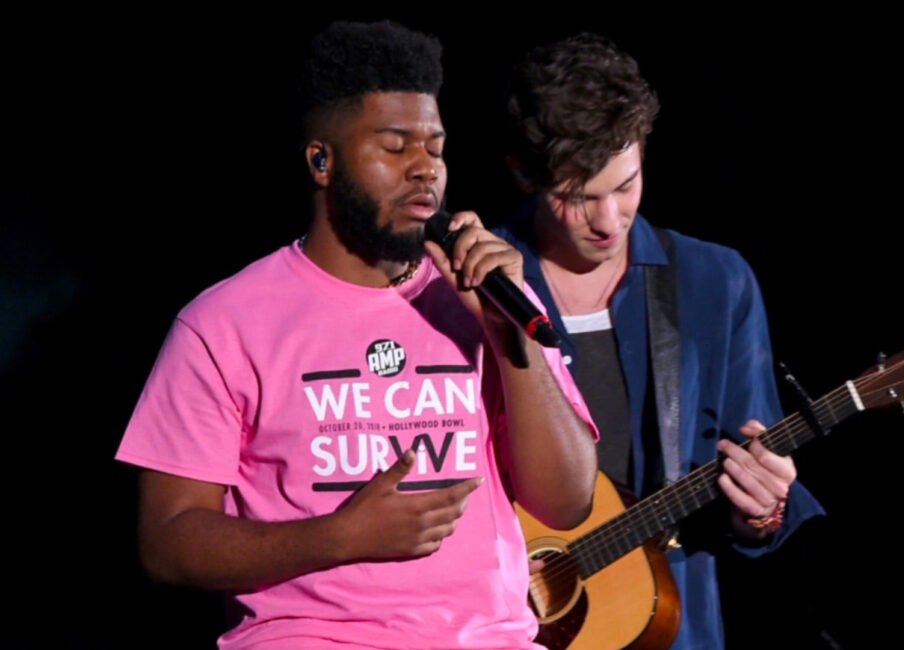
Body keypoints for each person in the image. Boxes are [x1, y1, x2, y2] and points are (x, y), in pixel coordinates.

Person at [116, 20, 597, 649]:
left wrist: (513, 341)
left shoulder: (488, 299)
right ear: (322, 160)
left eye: (436, 147)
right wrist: (339, 537)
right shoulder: (223, 322)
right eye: (395, 148)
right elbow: (168, 541)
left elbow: (566, 503)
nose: (425, 169)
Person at [496, 33, 825, 649]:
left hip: (668, 626)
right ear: (523, 175)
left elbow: (760, 494)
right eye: (577, 198)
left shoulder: (714, 282)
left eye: (625, 185)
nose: (609, 221)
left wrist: (763, 511)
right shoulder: (471, 285)